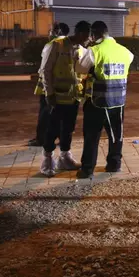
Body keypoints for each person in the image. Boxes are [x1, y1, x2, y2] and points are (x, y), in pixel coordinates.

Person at [75, 21, 134, 179]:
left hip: (97, 103)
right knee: (116, 134)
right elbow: (130, 59)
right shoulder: (125, 51)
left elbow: (79, 68)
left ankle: (87, 169)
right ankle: (114, 164)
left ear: (94, 35)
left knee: (92, 136)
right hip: (118, 102)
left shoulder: (94, 51)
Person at [38, 21, 91, 176]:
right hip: (56, 97)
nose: (88, 39)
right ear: (81, 33)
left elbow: (82, 72)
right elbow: (45, 70)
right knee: (52, 128)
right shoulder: (56, 45)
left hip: (73, 97)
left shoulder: (82, 49)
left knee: (68, 129)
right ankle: (47, 161)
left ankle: (65, 158)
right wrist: (49, 94)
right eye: (87, 35)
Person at [30, 23, 70, 147]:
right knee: (62, 115)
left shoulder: (52, 45)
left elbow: (45, 69)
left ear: (57, 32)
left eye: (51, 30)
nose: (49, 33)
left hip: (49, 88)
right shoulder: (71, 45)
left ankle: (41, 138)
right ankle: (60, 137)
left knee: (45, 114)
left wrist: (48, 91)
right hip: (65, 89)